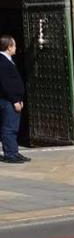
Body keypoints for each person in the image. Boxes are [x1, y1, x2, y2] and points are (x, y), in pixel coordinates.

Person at [0, 35, 29, 163]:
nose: (16, 48)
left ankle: (14, 152)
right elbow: (5, 84)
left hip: (14, 99)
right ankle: (10, 154)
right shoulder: (2, 61)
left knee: (13, 127)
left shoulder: (8, 60)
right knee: (9, 128)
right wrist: (14, 100)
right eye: (14, 45)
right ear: (9, 47)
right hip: (8, 101)